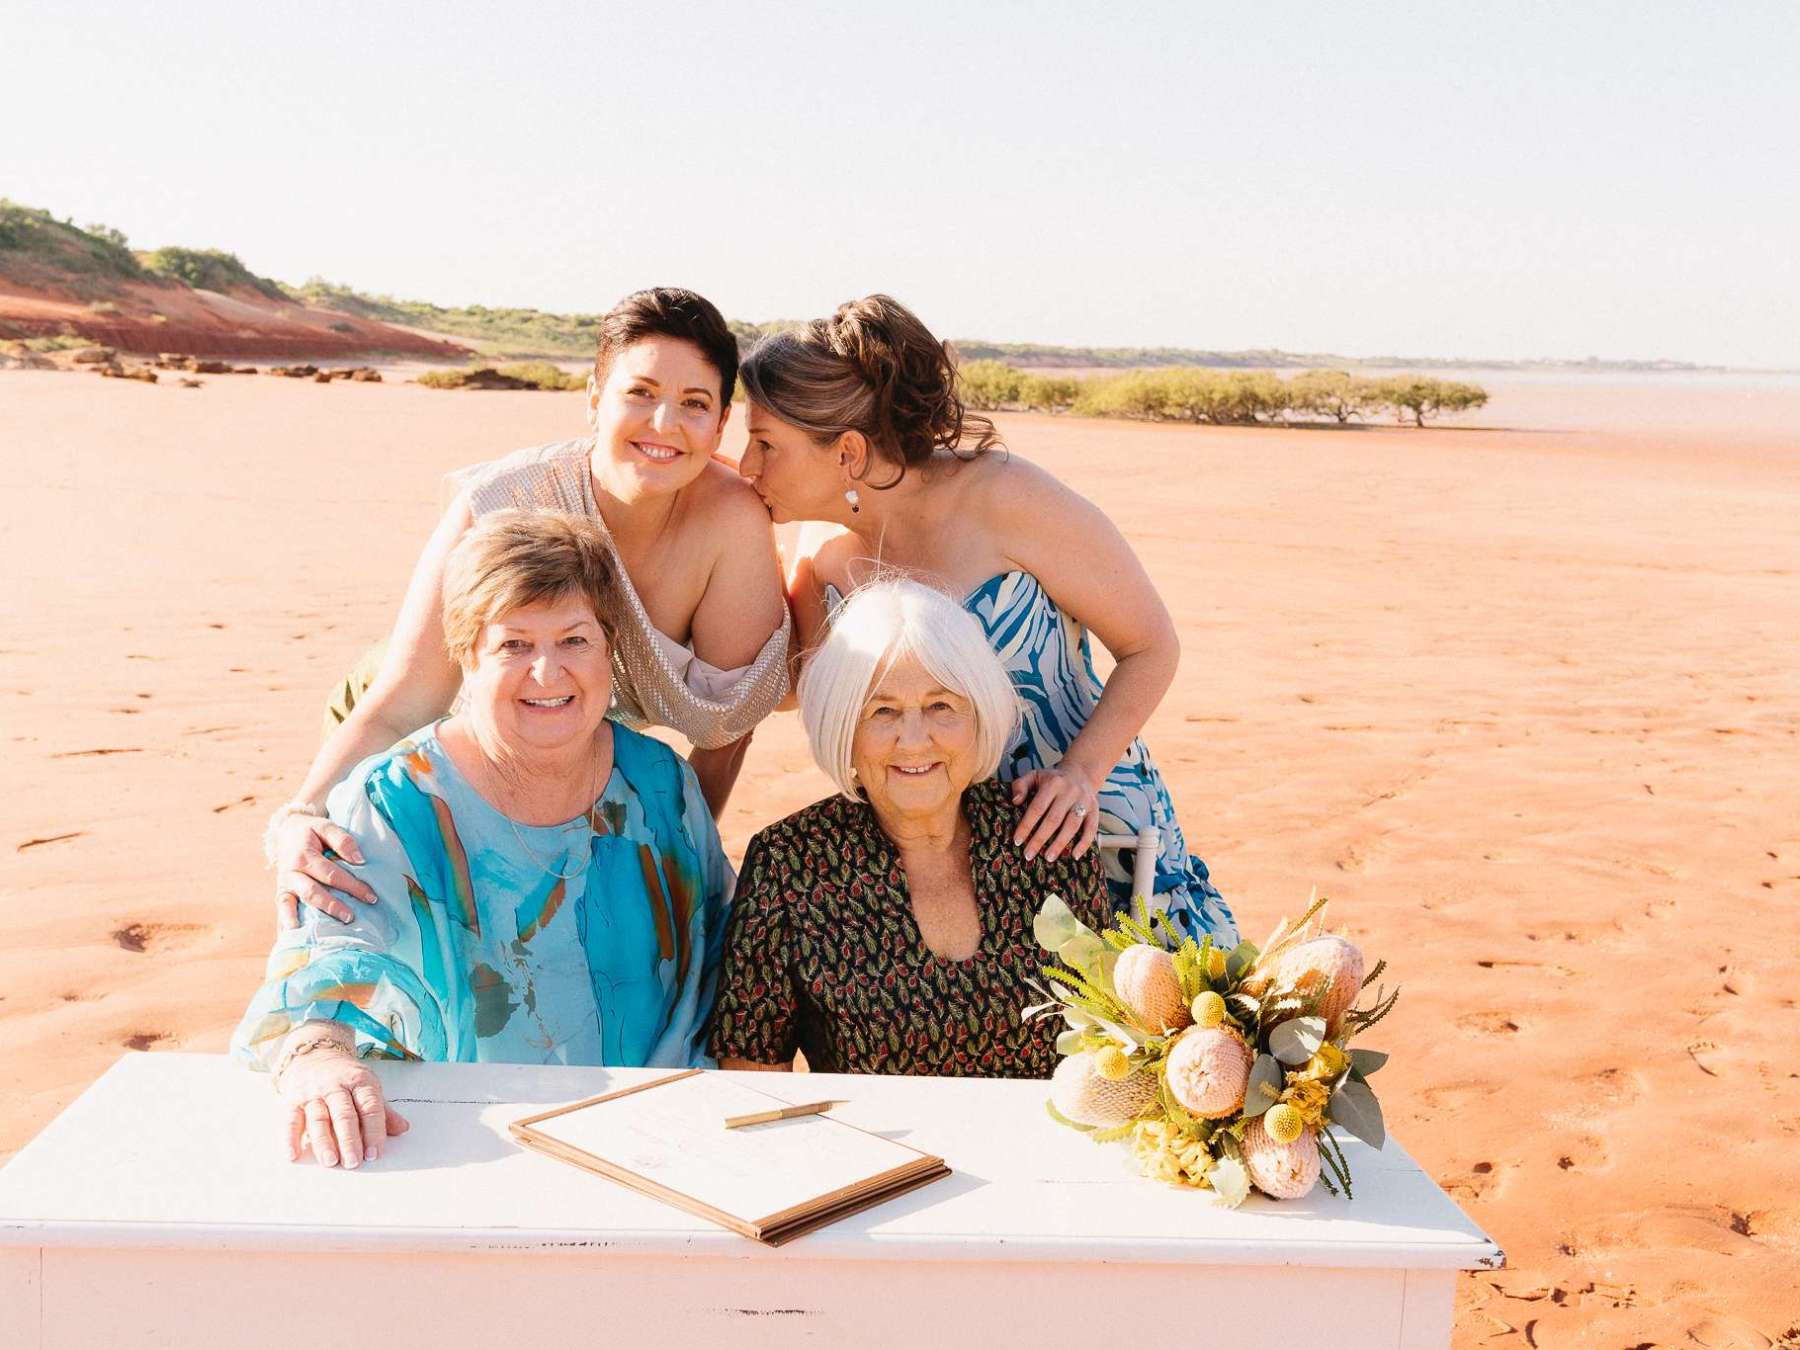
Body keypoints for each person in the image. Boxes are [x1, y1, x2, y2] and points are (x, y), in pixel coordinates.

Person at [269, 287, 787, 929]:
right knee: (359, 881)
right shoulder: (505, 501)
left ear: (720, 421)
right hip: (412, 705)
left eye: (693, 404)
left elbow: (726, 728)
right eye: (640, 393)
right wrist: (301, 814)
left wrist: (675, 863)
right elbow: (405, 699)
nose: (664, 424)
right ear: (594, 399)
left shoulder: (733, 519)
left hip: (558, 741)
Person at [235, 510, 734, 1168]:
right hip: (467, 1147)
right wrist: (321, 1057)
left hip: (658, 1143)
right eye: (514, 645)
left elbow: (727, 944)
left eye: (574, 640)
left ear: (608, 647)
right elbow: (330, 953)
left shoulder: (658, 786)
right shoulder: (395, 800)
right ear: (467, 656)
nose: (548, 672)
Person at [734, 295, 1236, 944]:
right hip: (940, 867)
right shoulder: (818, 559)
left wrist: (1080, 774)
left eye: (764, 445)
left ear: (848, 453)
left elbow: (1151, 645)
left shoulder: (1006, 497)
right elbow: (792, 696)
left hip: (1084, 828)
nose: (747, 469)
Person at [710, 579, 1111, 1078]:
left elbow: (1110, 1039)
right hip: (875, 1152)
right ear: (844, 726)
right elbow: (752, 1068)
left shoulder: (1046, 837)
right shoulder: (788, 862)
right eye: (883, 711)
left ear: (979, 716)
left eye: (941, 706)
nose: (915, 739)